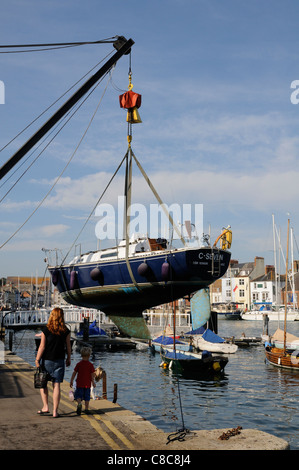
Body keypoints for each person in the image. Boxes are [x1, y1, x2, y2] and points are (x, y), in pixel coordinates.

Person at [35, 307, 71, 418]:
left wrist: (37, 359)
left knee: (43, 384)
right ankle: (55, 411)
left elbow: (42, 346)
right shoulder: (66, 331)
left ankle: (46, 407)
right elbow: (68, 346)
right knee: (56, 385)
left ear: (52, 316)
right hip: (59, 360)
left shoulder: (46, 330)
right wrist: (69, 358)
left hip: (47, 361)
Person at [70, 347, 96, 415]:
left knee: (78, 395)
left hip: (79, 384)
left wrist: (71, 380)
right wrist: (93, 382)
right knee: (87, 397)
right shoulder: (90, 365)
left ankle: (79, 404)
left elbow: (74, 373)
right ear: (89, 355)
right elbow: (92, 375)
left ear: (81, 355)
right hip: (87, 384)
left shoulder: (79, 364)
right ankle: (86, 409)